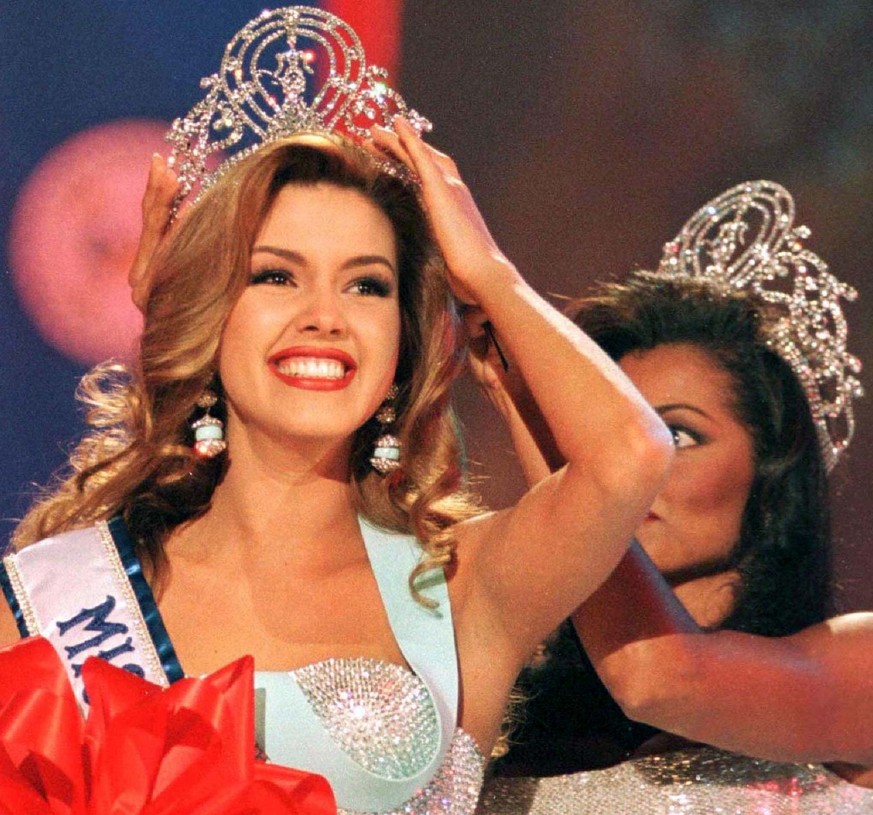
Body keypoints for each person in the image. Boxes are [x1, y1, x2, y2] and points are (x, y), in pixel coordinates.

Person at [0, 8, 674, 815]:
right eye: (276, 276)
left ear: (404, 338)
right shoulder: (53, 602)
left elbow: (630, 454)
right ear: (212, 316)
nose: (325, 315)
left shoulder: (462, 588)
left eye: (367, 285)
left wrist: (489, 274)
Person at [473, 181, 873, 811]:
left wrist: (495, 283)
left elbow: (660, 677)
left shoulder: (860, 666)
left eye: (675, 434)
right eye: (615, 433)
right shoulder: (511, 702)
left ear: (773, 476)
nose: (637, 462)